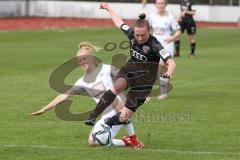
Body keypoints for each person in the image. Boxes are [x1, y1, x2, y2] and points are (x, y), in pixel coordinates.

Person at [30, 42, 143, 148]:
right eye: (79, 60)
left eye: (84, 59)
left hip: (120, 108)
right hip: (107, 114)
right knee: (92, 141)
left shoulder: (107, 69)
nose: (82, 62)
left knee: (118, 106)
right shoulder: (82, 82)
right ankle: (126, 141)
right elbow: (63, 96)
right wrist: (44, 109)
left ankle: (134, 140)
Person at [84, 3, 176, 129]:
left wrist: (169, 72)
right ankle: (93, 116)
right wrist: (108, 8)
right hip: (130, 71)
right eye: (137, 35)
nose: (139, 38)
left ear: (149, 31)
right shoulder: (132, 34)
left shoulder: (155, 45)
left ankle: (108, 124)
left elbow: (171, 62)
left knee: (124, 117)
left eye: (142, 35)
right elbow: (119, 22)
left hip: (144, 83)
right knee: (117, 87)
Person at [148, 0, 181, 100]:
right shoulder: (151, 16)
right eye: (158, 3)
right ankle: (163, 90)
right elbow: (148, 29)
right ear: (155, 5)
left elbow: (178, 31)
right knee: (160, 70)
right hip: (154, 45)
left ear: (165, 5)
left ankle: (162, 92)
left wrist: (171, 38)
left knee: (161, 64)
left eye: (162, 3)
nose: (160, 5)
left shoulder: (170, 17)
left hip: (167, 45)